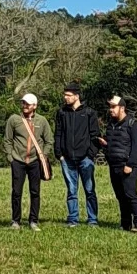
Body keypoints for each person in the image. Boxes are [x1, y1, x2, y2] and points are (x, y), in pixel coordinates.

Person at [3, 91, 55, 231]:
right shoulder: (14, 119)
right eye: (23, 103)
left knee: (35, 191)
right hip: (18, 161)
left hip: (35, 162)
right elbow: (7, 140)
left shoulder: (42, 121)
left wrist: (43, 155)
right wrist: (10, 157)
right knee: (16, 192)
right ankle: (15, 221)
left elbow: (49, 140)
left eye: (28, 103)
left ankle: (33, 221)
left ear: (35, 106)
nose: (24, 105)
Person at [53, 83, 101, 227]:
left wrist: (90, 154)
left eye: (68, 95)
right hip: (67, 159)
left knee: (89, 190)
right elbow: (58, 133)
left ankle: (92, 219)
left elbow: (95, 135)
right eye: (65, 95)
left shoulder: (89, 113)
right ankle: (73, 218)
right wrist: (59, 154)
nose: (65, 98)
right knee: (72, 191)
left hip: (85, 159)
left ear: (76, 96)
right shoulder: (61, 113)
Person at [103, 94, 137, 233]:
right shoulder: (111, 124)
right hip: (113, 165)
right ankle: (125, 223)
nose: (111, 110)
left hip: (127, 165)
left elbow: (136, 147)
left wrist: (131, 164)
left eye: (113, 107)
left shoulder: (133, 124)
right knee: (120, 196)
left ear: (122, 108)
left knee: (130, 195)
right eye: (110, 107)